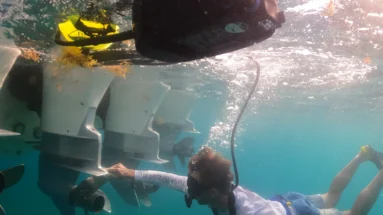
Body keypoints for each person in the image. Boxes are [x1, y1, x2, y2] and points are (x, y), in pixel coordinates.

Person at [107, 145, 383, 215]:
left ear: (214, 192)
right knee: (331, 195)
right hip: (285, 202)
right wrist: (132, 173)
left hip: (296, 211)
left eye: (196, 194)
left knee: (351, 212)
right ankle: (362, 155)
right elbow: (169, 179)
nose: (191, 196)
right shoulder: (207, 186)